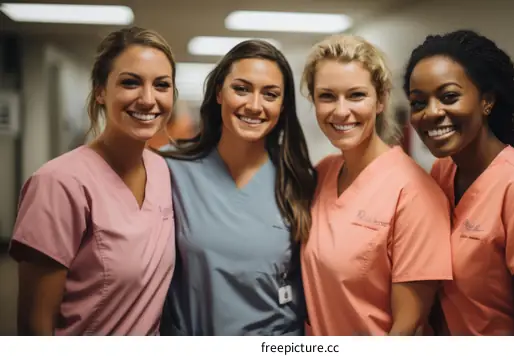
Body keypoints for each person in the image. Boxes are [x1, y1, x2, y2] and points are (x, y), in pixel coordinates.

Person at [404, 29, 514, 336]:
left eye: (449, 97)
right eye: (419, 103)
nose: (431, 113)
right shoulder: (442, 172)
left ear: (487, 101)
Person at [9, 27, 176, 335]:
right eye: (130, 82)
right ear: (101, 90)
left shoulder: (165, 171)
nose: (148, 99)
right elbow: (35, 327)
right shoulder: (58, 183)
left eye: (162, 85)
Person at [159, 39, 316, 336]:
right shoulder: (170, 169)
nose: (254, 105)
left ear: (282, 107)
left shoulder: (298, 179)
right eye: (241, 89)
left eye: (270, 94)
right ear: (219, 92)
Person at [299, 34, 453, 336]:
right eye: (327, 96)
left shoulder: (414, 193)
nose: (341, 111)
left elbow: (408, 328)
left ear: (381, 100)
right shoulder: (323, 173)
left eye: (356, 95)